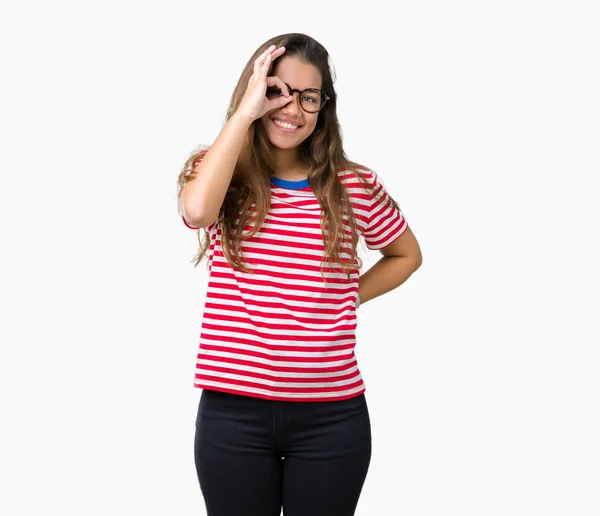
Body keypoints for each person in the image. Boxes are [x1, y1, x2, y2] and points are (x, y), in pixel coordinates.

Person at [177, 32, 422, 516]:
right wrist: (246, 113)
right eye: (276, 91)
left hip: (331, 420)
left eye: (308, 97)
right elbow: (199, 211)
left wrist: (343, 296)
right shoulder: (222, 171)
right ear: (254, 89)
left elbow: (405, 255)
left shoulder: (354, 184)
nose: (291, 109)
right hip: (233, 415)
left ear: (323, 108)